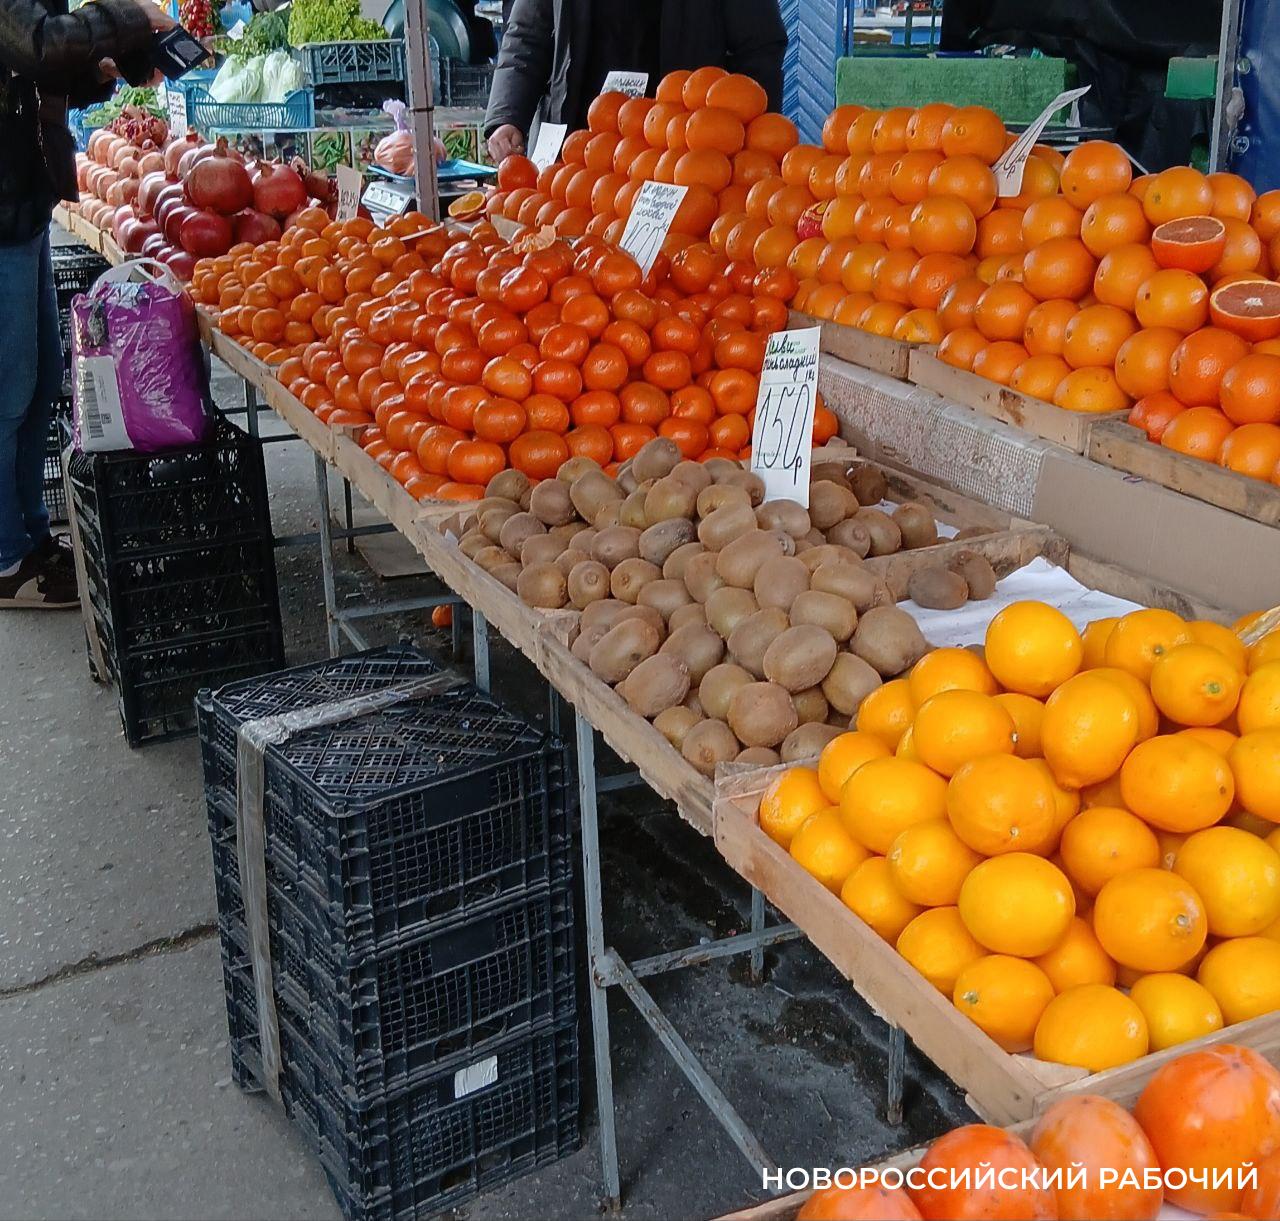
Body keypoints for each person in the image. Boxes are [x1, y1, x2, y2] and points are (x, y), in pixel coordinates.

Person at [0, 0, 172, 610]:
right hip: (4, 214)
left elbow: (31, 72)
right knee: (10, 392)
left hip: (21, 205)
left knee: (40, 382)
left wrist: (96, 73)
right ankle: (5, 558)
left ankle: (28, 539)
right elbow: (38, 44)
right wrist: (132, 16)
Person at [485, 0, 787, 162]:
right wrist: (507, 117)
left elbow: (758, 46)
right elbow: (527, 33)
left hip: (679, 153)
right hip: (576, 152)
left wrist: (754, 142)